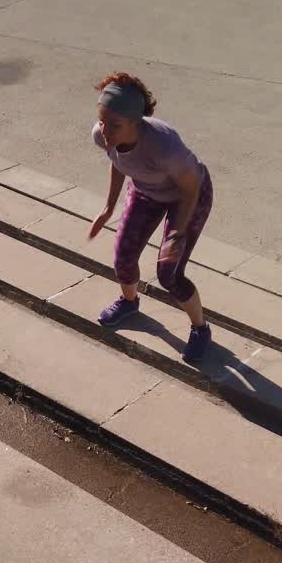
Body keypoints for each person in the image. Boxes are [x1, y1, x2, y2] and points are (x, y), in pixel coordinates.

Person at [87, 72, 215, 363]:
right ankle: (129, 302)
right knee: (123, 257)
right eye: (102, 121)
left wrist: (176, 233)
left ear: (136, 122)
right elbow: (118, 161)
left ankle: (201, 329)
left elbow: (191, 187)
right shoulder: (104, 134)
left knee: (169, 273)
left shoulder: (164, 146)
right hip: (147, 190)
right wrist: (108, 207)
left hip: (189, 195)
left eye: (114, 125)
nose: (105, 131)